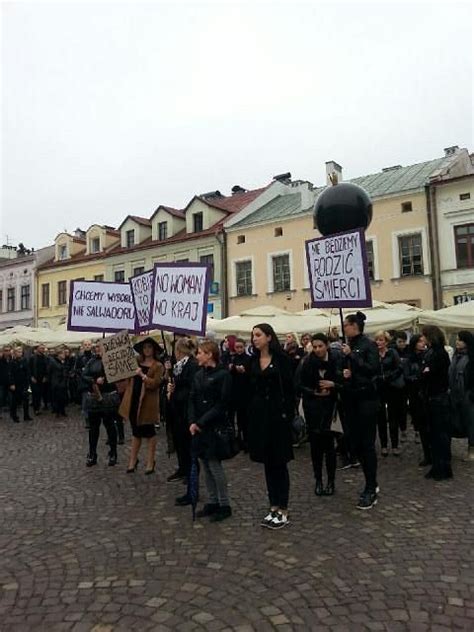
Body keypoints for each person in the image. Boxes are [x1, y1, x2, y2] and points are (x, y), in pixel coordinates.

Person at [248, 324, 295, 530]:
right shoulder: (253, 361)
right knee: (268, 463)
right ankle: (273, 505)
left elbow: (291, 389)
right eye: (253, 336)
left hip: (278, 416)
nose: (254, 339)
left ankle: (283, 509)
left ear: (269, 337)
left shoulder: (282, 360)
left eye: (258, 335)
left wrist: (287, 412)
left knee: (279, 463)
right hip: (260, 417)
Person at [188, 339, 233, 522]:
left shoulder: (223, 375)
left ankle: (224, 503)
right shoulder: (199, 375)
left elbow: (222, 404)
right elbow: (192, 398)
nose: (197, 355)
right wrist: (192, 421)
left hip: (214, 426)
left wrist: (201, 421)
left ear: (209, 354)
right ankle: (213, 501)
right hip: (198, 426)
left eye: (199, 352)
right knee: (205, 465)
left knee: (214, 465)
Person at [342, 312, 380, 510]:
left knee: (367, 445)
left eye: (346, 325)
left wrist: (353, 357)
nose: (344, 327)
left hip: (367, 400)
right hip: (352, 400)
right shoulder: (351, 345)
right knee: (355, 444)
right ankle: (370, 480)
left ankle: (371, 487)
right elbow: (352, 370)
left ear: (354, 326)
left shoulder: (367, 345)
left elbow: (373, 369)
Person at [296, 333, 341, 496]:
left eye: (320, 346)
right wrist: (314, 392)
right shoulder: (307, 362)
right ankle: (318, 480)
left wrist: (333, 384)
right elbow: (299, 385)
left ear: (327, 345)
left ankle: (331, 481)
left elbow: (343, 381)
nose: (317, 349)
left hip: (330, 409)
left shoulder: (336, 359)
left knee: (329, 447)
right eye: (314, 347)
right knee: (315, 448)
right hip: (313, 408)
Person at [120, 337, 165, 475]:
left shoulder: (158, 366)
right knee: (135, 431)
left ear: (154, 349)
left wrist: (143, 376)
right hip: (134, 399)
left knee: (149, 431)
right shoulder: (137, 363)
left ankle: (150, 461)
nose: (147, 350)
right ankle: (133, 460)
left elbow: (156, 384)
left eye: (149, 347)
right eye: (145, 347)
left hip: (147, 402)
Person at [166, 338, 198, 489]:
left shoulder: (192, 364)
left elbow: (191, 385)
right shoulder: (178, 365)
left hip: (186, 407)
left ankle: (191, 471)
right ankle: (182, 467)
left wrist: (177, 386)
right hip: (176, 407)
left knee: (188, 442)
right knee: (179, 440)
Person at [421, 325, 452, 481]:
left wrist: (426, 371)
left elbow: (430, 373)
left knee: (440, 435)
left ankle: (443, 467)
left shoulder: (439, 353)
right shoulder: (432, 352)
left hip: (438, 397)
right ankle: (438, 466)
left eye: (425, 336)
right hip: (433, 396)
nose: (423, 339)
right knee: (435, 434)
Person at [83, 346, 119, 467]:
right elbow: (84, 375)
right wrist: (94, 380)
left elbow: (118, 374)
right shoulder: (91, 362)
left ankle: (113, 453)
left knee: (110, 426)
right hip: (94, 399)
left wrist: (107, 378)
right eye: (97, 347)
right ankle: (92, 454)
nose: (98, 350)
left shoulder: (111, 360)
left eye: (101, 347)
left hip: (108, 397)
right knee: (93, 429)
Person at [374, 331, 404, 457]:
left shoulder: (392, 352)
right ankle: (384, 445)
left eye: (381, 340)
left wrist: (388, 376)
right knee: (380, 418)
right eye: (377, 340)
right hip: (379, 389)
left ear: (386, 341)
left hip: (392, 388)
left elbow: (399, 368)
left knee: (393, 417)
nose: (379, 342)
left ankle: (395, 445)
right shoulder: (374, 354)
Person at [405, 334, 430, 466]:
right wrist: (420, 376)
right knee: (422, 427)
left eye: (423, 341)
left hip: (427, 395)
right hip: (416, 395)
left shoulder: (427, 355)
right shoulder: (409, 359)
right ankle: (427, 454)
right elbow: (407, 376)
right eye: (419, 341)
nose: (422, 343)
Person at [449, 331, 474, 461]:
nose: (457, 342)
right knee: (458, 422)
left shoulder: (471, 358)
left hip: (467, 395)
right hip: (455, 394)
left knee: (471, 423)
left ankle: (471, 450)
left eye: (460, 340)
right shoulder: (455, 356)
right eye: (457, 339)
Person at [228, 338, 251, 451]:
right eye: (237, 347)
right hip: (234, 392)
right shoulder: (233, 358)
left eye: (241, 347)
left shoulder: (248, 359)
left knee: (245, 419)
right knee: (236, 419)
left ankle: (247, 441)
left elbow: (249, 373)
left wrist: (242, 370)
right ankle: (237, 440)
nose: (239, 349)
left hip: (245, 393)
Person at [75, 340, 95, 428]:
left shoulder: (94, 356)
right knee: (86, 402)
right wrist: (82, 371)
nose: (87, 346)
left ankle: (94, 418)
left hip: (93, 382)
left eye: (89, 344)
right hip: (84, 383)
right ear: (83, 346)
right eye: (86, 345)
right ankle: (87, 420)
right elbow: (76, 369)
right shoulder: (80, 357)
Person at [8, 346, 32, 422]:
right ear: (15, 353)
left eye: (21, 352)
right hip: (16, 384)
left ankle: (26, 416)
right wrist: (12, 384)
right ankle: (14, 416)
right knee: (15, 401)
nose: (20, 353)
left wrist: (28, 382)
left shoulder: (24, 360)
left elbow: (28, 371)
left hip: (25, 384)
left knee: (26, 400)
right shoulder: (12, 362)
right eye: (18, 352)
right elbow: (10, 374)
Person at [394, 331, 409, 442]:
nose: (402, 344)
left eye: (404, 342)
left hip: (406, 384)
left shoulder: (408, 351)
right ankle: (400, 429)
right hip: (395, 385)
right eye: (400, 342)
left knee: (403, 408)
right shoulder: (392, 352)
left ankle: (403, 429)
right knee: (397, 409)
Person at [48, 348, 69, 417]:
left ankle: (62, 410)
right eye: (63, 353)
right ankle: (57, 411)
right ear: (59, 355)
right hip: (56, 383)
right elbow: (50, 371)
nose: (64, 355)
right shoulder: (53, 362)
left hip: (62, 382)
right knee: (57, 398)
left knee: (63, 398)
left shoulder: (63, 361)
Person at [29, 345, 49, 415]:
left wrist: (46, 377)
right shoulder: (32, 358)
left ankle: (39, 407)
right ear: (37, 349)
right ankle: (36, 409)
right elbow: (29, 368)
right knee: (35, 394)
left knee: (40, 394)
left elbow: (47, 368)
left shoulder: (45, 358)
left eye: (43, 348)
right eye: (41, 348)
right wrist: (31, 377)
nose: (43, 349)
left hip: (42, 379)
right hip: (34, 379)